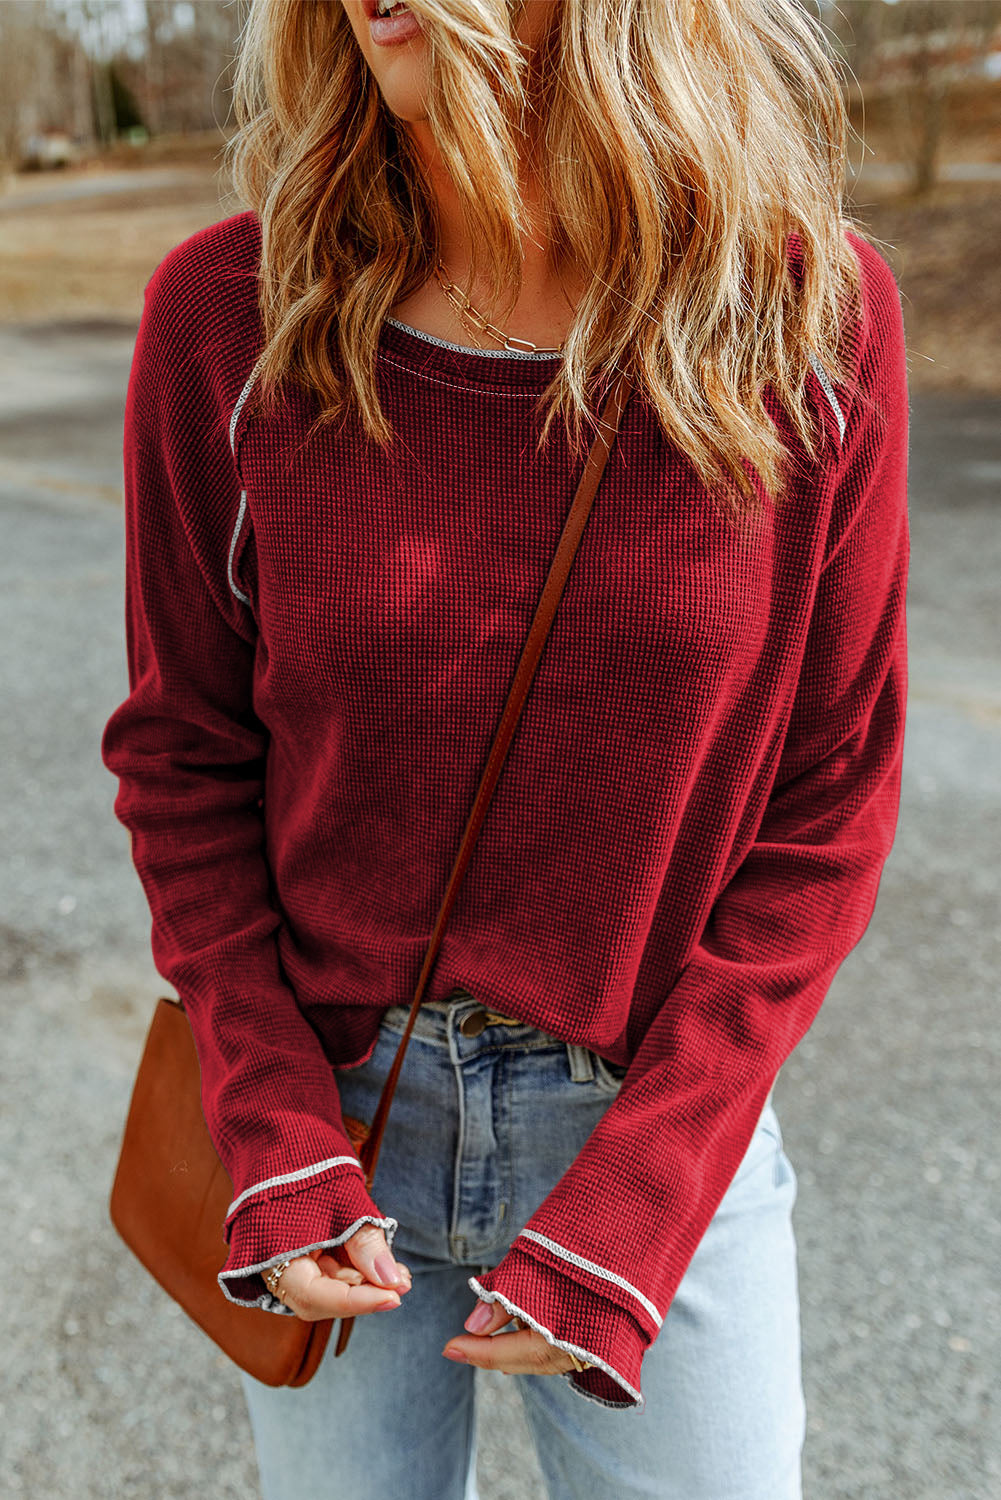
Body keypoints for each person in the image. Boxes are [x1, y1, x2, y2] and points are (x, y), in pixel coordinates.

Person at [99, 0, 910, 1495]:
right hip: (341, 1130)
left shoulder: (804, 313)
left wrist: (645, 1186)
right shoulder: (229, 314)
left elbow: (831, 795)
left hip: (658, 1134)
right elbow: (184, 756)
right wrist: (273, 1124)